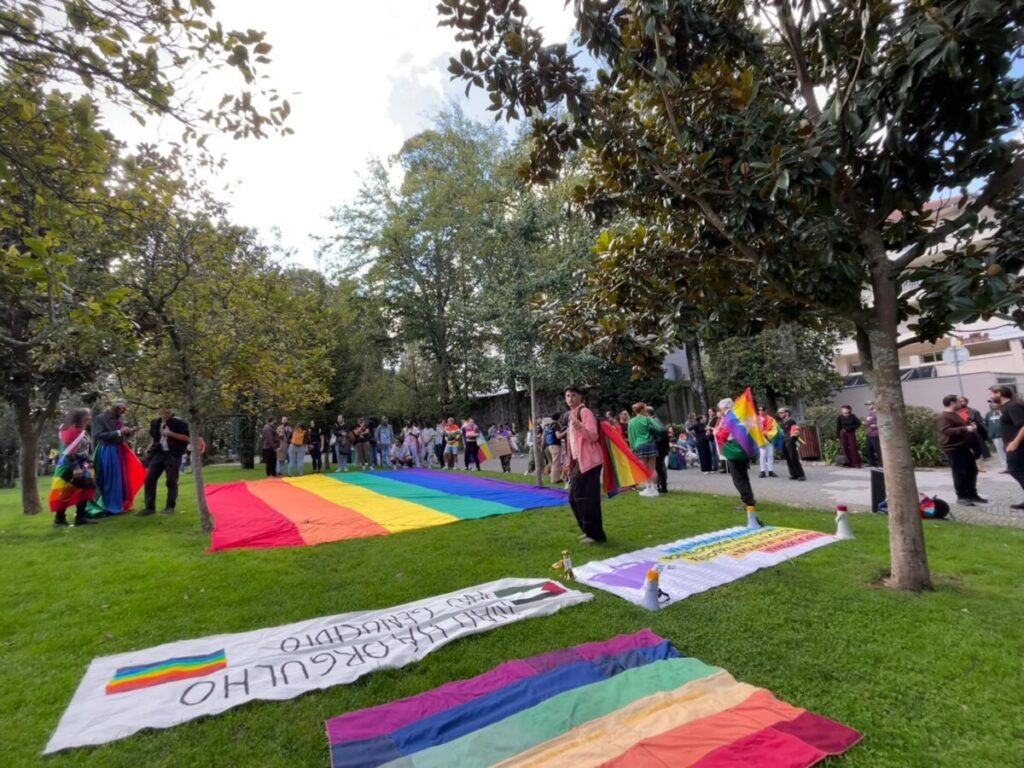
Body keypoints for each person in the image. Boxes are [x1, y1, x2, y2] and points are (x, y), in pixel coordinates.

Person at [564, 385, 606, 544]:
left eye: (573, 395)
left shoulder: (584, 412)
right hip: (579, 462)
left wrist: (580, 427)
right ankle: (589, 530)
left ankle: (596, 534)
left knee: (587, 498)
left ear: (581, 397)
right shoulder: (571, 415)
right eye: (567, 396)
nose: (570, 399)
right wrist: (569, 462)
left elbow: (593, 435)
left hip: (590, 462)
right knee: (574, 498)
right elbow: (571, 442)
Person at [90, 400, 144, 516]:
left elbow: (122, 434)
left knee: (123, 478)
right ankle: (110, 506)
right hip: (108, 450)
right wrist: (118, 432)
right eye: (121, 409)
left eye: (124, 409)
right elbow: (97, 435)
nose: (123, 412)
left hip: (120, 449)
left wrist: (130, 432)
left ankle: (120, 503)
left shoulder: (120, 418)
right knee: (110, 478)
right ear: (115, 407)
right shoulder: (101, 418)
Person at [49, 408, 98, 527]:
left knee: (86, 489)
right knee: (66, 492)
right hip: (68, 466)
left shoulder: (83, 431)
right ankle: (59, 519)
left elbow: (85, 449)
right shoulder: (69, 431)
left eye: (89, 416)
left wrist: (89, 460)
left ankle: (80, 517)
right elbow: (67, 452)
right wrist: (76, 467)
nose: (89, 419)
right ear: (78, 418)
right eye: (86, 417)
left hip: (83, 465)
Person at [937, 394, 987, 506]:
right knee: (960, 472)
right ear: (952, 402)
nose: (961, 403)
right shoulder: (943, 416)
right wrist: (965, 428)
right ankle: (962, 497)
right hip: (953, 448)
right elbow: (946, 431)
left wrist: (970, 425)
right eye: (958, 401)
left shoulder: (955, 414)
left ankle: (972, 494)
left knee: (971, 470)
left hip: (964, 447)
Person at [140, 407, 190, 516]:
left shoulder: (179, 422)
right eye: (162, 411)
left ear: (172, 410)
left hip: (173, 454)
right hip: (158, 454)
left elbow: (187, 438)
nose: (165, 414)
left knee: (171, 481)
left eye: (167, 411)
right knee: (149, 479)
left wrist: (169, 433)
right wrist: (150, 448)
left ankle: (170, 507)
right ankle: (149, 508)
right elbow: (155, 438)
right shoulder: (155, 422)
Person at [714, 398, 758, 512]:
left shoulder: (729, 418)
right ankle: (749, 499)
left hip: (735, 451)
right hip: (743, 450)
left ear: (724, 407)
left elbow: (725, 433)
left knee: (738, 478)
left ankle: (747, 501)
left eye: (721, 408)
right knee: (743, 476)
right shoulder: (739, 415)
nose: (720, 410)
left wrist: (716, 433)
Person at [988, 385, 1024, 509]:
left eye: (991, 394)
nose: (990, 397)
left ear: (999, 393)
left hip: (1017, 447)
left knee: (1015, 470)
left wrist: (1015, 442)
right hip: (1014, 446)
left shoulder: (1013, 406)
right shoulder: (1008, 406)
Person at [628, 402, 661, 497]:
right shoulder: (647, 419)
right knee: (652, 468)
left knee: (644, 469)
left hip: (639, 445)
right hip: (651, 444)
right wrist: (650, 419)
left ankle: (648, 488)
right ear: (642, 410)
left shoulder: (631, 421)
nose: (646, 410)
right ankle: (655, 490)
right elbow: (658, 429)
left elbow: (631, 437)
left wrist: (632, 448)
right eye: (645, 408)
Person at [957, 396, 990, 461]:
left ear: (966, 402)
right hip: (961, 433)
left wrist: (975, 425)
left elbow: (980, 422)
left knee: (976, 450)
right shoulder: (956, 412)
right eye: (960, 401)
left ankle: (979, 458)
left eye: (963, 401)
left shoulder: (974, 411)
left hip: (973, 433)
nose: (961, 403)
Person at [777, 407, 806, 481]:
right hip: (785, 440)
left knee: (793, 458)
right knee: (788, 458)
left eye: (781, 412)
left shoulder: (791, 421)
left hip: (790, 441)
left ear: (787, 413)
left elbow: (796, 431)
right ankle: (793, 474)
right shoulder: (784, 421)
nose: (779, 414)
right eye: (779, 413)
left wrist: (791, 441)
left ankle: (801, 475)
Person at [647, 406, 670, 493]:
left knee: (659, 466)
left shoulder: (654, 421)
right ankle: (662, 485)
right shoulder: (657, 420)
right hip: (661, 446)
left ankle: (662, 486)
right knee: (660, 466)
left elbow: (661, 432)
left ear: (648, 413)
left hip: (659, 446)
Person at [984, 400, 1007, 469]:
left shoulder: (1004, 411)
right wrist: (990, 433)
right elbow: (987, 424)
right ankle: (1005, 466)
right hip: (996, 436)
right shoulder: (988, 414)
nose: (992, 404)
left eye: (994, 403)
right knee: (1000, 451)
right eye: (991, 403)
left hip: (1006, 434)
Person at [757, 406, 778, 478]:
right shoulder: (756, 419)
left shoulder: (771, 419)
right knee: (762, 455)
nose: (760, 412)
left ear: (765, 411)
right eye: (759, 410)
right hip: (761, 439)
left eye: (761, 410)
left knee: (770, 455)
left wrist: (767, 433)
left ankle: (770, 471)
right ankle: (762, 471)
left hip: (769, 439)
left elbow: (774, 429)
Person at [542, 417, 562, 484]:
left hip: (550, 446)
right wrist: (566, 431)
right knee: (555, 463)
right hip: (555, 445)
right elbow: (558, 436)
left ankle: (557, 478)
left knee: (555, 462)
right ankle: (554, 479)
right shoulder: (554, 426)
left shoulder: (548, 428)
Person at [864, 402, 882, 467]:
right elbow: (867, 422)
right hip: (869, 434)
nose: (868, 406)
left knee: (877, 449)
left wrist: (872, 425)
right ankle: (872, 463)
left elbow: (880, 423)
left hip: (875, 434)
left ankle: (882, 464)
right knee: (868, 449)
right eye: (867, 405)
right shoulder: (870, 413)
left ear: (874, 405)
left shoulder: (878, 413)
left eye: (870, 405)